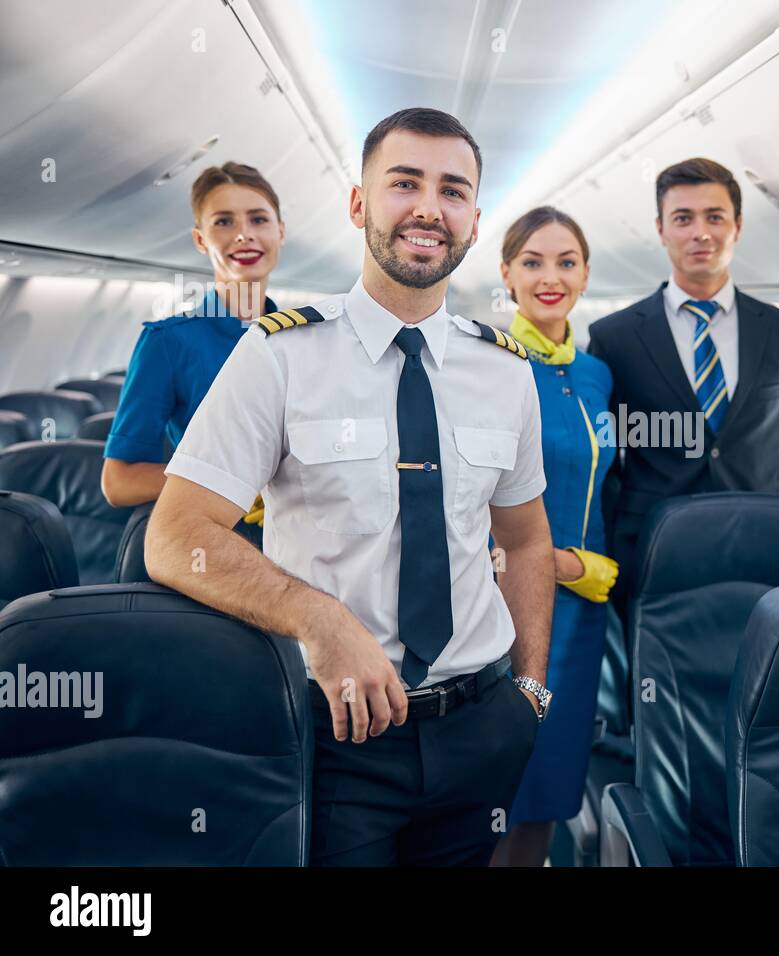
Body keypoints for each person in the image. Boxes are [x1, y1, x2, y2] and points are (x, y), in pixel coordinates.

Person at [144, 107, 555, 866]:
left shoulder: (506, 372)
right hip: (338, 732)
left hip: (481, 729)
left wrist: (529, 692)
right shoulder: (280, 356)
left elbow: (525, 540)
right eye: (405, 183)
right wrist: (319, 622)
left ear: (472, 221)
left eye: (453, 191)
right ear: (359, 204)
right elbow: (175, 537)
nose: (429, 207)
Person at [586, 158, 779, 596]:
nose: (700, 232)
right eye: (683, 218)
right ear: (662, 229)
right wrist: (621, 549)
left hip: (769, 554)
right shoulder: (615, 337)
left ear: (737, 226)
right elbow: (605, 464)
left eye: (715, 217)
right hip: (655, 558)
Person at [489, 207, 617, 866]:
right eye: (533, 262)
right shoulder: (484, 362)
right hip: (504, 603)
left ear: (586, 273)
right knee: (493, 787)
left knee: (550, 783)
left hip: (583, 616)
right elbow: (463, 496)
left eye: (566, 262)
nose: (550, 277)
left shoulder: (596, 375)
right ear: (506, 273)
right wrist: (562, 564)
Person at [102, 162, 284, 525]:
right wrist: (230, 482)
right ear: (201, 240)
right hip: (223, 535)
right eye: (224, 221)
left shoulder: (303, 336)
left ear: (280, 231)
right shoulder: (168, 341)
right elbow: (119, 481)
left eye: (259, 219)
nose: (244, 235)